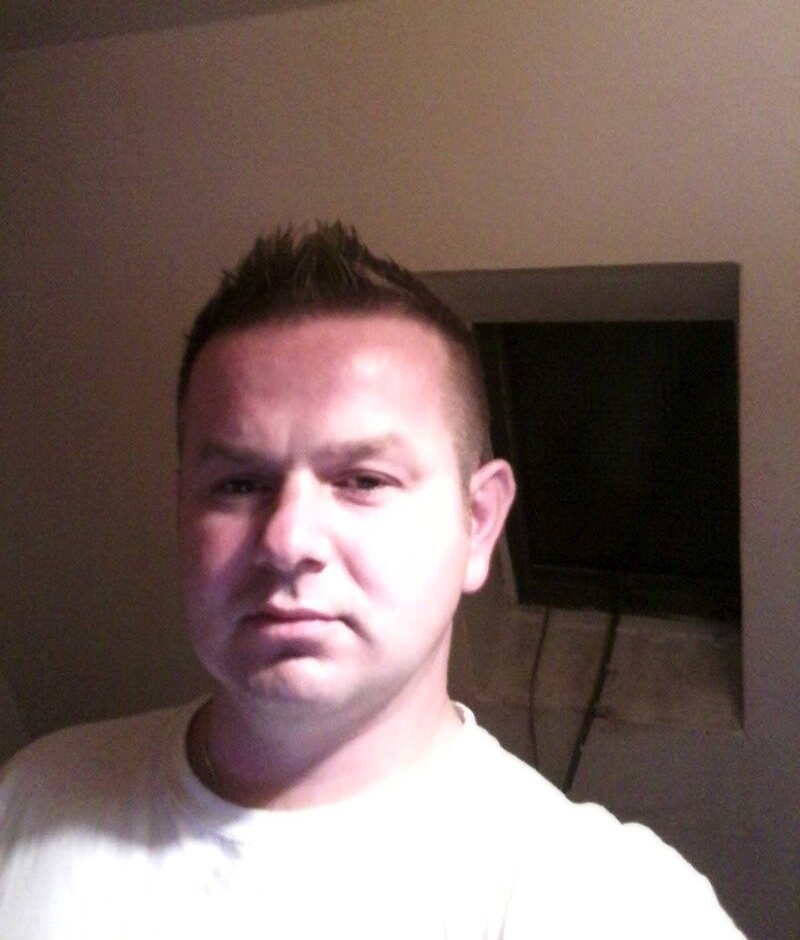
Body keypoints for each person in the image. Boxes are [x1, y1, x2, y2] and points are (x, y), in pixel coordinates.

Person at [0, 223, 744, 938]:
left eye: (363, 479)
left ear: (478, 523)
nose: (287, 540)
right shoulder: (31, 796)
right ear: (181, 511)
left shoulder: (607, 901)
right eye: (237, 484)